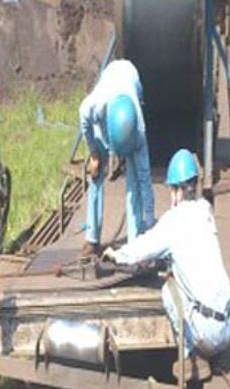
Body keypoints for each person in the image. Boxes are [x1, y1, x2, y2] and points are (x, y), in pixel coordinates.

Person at [103, 149, 230, 380]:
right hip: (229, 324)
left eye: (172, 190)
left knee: (168, 291)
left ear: (177, 190)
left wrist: (116, 255)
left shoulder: (173, 222)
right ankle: (210, 351)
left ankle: (190, 357)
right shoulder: (205, 209)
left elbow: (141, 250)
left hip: (210, 334)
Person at [79, 59, 155, 257]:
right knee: (95, 175)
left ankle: (134, 240)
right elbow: (83, 120)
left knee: (135, 181)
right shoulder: (95, 105)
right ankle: (92, 238)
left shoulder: (138, 133)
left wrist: (150, 226)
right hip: (112, 79)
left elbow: (145, 180)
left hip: (131, 78)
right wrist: (94, 154)